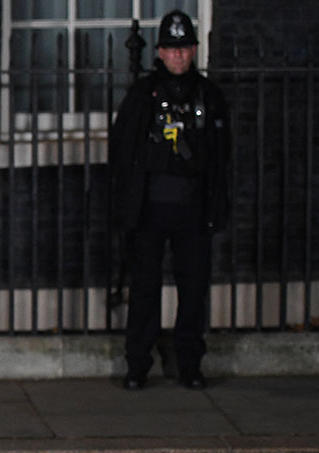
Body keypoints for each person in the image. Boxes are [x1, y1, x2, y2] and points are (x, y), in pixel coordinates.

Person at [110, 9, 230, 390]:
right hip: (148, 209)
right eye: (171, 48)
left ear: (194, 50)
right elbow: (122, 152)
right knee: (144, 289)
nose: (178, 56)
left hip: (193, 210)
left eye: (184, 48)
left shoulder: (209, 96)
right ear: (159, 52)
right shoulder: (142, 96)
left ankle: (189, 364)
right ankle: (137, 365)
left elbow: (221, 157)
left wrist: (216, 207)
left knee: (193, 288)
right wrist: (125, 208)